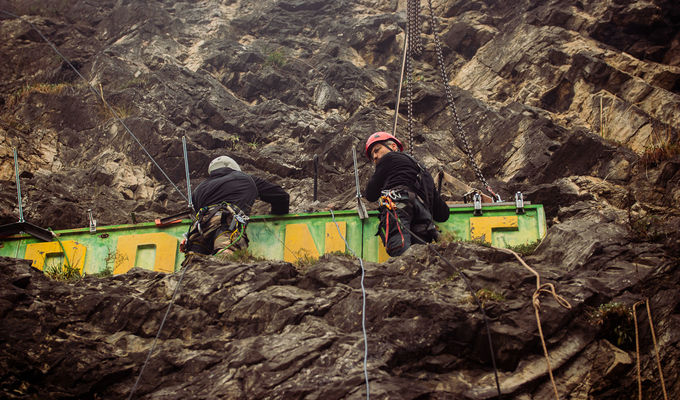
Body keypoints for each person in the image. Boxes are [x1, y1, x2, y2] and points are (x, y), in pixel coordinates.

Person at [364, 132, 449, 256]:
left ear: (393, 147)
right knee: (421, 253)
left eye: (377, 150)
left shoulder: (389, 158)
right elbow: (443, 214)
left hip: (398, 202)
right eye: (372, 156)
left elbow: (370, 194)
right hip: (423, 214)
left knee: (398, 244)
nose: (375, 157)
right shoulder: (424, 172)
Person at [184, 155, 289, 255]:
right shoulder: (244, 178)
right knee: (226, 255)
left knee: (194, 263)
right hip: (226, 223)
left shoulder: (199, 189)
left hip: (199, 227)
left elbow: (195, 212)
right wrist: (278, 218)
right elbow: (281, 196)